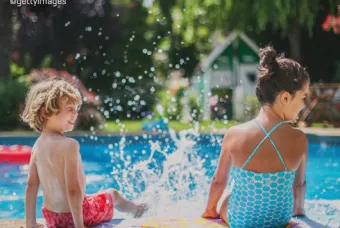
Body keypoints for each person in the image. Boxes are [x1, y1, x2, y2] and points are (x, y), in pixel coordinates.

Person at [202, 46, 309, 228]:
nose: (304, 104)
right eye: (303, 97)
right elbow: (298, 185)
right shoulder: (299, 139)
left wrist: (210, 212)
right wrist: (298, 212)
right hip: (280, 220)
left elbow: (218, 181)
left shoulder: (235, 134)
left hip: (241, 220)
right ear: (285, 98)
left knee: (229, 194)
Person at [22, 78, 148, 228]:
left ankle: (137, 209)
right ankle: (138, 210)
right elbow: (73, 190)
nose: (75, 113)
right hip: (79, 216)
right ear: (46, 113)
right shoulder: (69, 145)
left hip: (51, 218)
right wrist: (79, 225)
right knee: (112, 194)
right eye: (69, 108)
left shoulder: (37, 146)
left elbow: (31, 185)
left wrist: (30, 223)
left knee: (89, 197)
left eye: (76, 108)